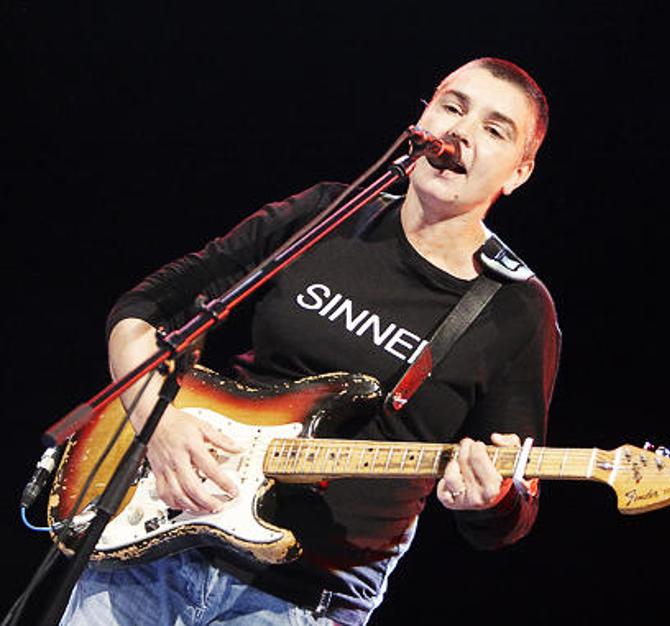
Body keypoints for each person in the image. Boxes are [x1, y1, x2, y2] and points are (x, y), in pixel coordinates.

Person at [61, 57, 560, 626]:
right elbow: (147, 307)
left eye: (494, 130)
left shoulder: (515, 310)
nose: (460, 132)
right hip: (155, 547)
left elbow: (515, 505)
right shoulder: (329, 212)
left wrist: (492, 500)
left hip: (302, 601)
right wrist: (158, 421)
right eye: (452, 107)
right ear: (422, 119)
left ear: (519, 173)